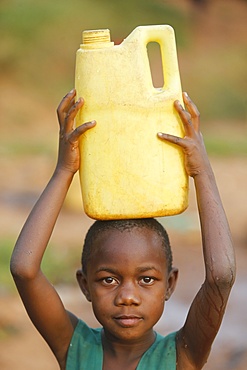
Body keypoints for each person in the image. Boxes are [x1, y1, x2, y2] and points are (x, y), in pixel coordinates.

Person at [10, 89, 236, 370]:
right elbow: (24, 269)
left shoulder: (180, 355)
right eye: (108, 280)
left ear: (170, 283)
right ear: (84, 285)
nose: (127, 297)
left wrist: (202, 172)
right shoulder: (74, 346)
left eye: (147, 280)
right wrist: (64, 170)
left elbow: (221, 277)